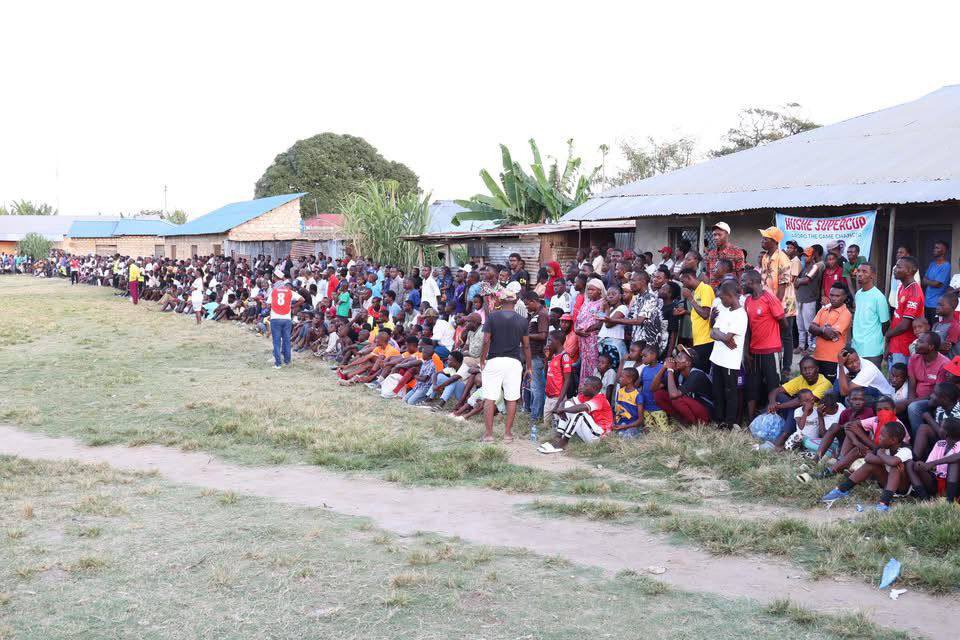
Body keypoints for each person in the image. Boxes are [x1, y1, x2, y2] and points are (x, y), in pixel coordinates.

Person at [821, 421, 912, 512]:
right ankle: (842, 490)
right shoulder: (883, 447)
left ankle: (884, 503)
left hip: (901, 488)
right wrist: (885, 459)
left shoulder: (906, 450)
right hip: (886, 482)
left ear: (893, 440)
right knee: (871, 465)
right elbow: (868, 458)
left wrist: (881, 455)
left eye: (882, 435)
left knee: (896, 467)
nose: (879, 437)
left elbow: (893, 462)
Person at [479, 286, 531, 443]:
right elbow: (526, 346)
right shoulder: (522, 320)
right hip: (514, 362)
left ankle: (489, 435)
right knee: (511, 398)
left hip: (494, 361)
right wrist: (529, 367)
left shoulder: (492, 317)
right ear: (515, 301)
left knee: (489, 398)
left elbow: (486, 340)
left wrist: (482, 359)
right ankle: (507, 434)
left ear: (500, 301)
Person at [742, 269, 786, 417]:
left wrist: (773, 337)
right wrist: (746, 351)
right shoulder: (748, 301)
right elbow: (748, 328)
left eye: (743, 281)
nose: (741, 284)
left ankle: (774, 418)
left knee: (773, 385)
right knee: (752, 385)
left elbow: (784, 323)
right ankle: (751, 419)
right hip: (754, 351)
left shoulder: (769, 298)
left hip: (771, 351)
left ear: (752, 282)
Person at [767, 356, 833, 446]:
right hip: (800, 414)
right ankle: (785, 431)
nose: (808, 372)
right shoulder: (801, 379)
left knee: (794, 407)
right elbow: (777, 390)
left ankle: (784, 435)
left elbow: (805, 402)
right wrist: (772, 403)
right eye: (804, 369)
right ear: (801, 371)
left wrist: (777, 406)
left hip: (815, 417)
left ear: (817, 369)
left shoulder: (825, 383)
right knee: (780, 396)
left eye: (811, 368)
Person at [538, 376, 613, 454]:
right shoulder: (586, 396)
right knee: (568, 404)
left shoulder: (600, 399)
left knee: (580, 414)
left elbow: (580, 408)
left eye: (585, 385)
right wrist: (562, 407)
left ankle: (563, 442)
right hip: (589, 432)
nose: (582, 387)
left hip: (599, 437)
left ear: (594, 388)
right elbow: (568, 402)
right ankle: (558, 437)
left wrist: (563, 410)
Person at [759, 226, 798, 376]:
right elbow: (764, 281)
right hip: (769, 302)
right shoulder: (765, 257)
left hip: (784, 304)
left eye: (766, 239)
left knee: (786, 336)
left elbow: (783, 285)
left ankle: (786, 367)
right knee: (772, 335)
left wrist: (776, 306)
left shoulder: (783, 258)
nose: (762, 241)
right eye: (763, 238)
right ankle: (773, 365)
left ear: (774, 242)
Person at [709, 281, 747, 429]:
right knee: (717, 391)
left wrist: (721, 336)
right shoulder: (725, 311)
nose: (721, 301)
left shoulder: (741, 315)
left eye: (722, 298)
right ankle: (719, 420)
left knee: (730, 392)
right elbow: (712, 332)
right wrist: (723, 338)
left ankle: (729, 422)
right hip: (717, 358)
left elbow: (725, 336)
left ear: (730, 296)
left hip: (730, 361)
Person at [651, 347, 714, 425]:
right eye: (676, 356)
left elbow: (674, 395)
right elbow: (653, 388)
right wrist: (664, 367)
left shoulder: (697, 374)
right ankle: (682, 421)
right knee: (658, 394)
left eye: (679, 357)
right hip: (692, 408)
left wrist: (670, 370)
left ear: (688, 363)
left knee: (677, 399)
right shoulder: (679, 373)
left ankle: (693, 425)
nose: (675, 359)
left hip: (706, 411)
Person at [906, 332, 951, 435]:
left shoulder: (944, 363)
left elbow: (938, 394)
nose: (916, 344)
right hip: (915, 397)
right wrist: (910, 400)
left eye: (920, 342)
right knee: (893, 404)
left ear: (931, 347)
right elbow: (912, 383)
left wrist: (911, 402)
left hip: (933, 400)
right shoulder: (914, 358)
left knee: (913, 407)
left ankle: (917, 438)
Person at [906, 417, 960, 503]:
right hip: (937, 482)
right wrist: (922, 466)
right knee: (911, 464)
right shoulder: (939, 444)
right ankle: (925, 499)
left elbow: (957, 456)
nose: (938, 429)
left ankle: (950, 501)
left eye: (941, 427)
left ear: (946, 433)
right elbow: (929, 465)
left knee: (954, 462)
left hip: (954, 484)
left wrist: (934, 463)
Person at [885, 255, 924, 367]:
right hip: (895, 343)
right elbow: (898, 315)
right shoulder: (902, 287)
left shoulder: (914, 293)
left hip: (905, 346)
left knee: (900, 377)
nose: (895, 269)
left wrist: (888, 335)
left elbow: (904, 325)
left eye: (899, 267)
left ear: (909, 271)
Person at [809, 282, 852, 381]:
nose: (833, 298)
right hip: (817, 356)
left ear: (844, 297)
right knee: (817, 386)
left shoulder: (846, 313)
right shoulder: (824, 309)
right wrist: (824, 329)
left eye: (837, 296)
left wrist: (818, 330)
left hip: (833, 359)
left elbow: (830, 335)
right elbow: (811, 328)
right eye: (831, 295)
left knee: (830, 388)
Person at [851, 263, 890, 366]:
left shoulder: (879, 297)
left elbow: (885, 323)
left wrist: (875, 339)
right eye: (858, 271)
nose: (860, 274)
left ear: (872, 275)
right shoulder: (858, 294)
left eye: (864, 271)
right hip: (856, 346)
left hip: (872, 349)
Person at [679, 268, 715, 372]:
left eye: (683, 281)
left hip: (707, 340)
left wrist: (690, 299)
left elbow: (705, 314)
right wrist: (686, 312)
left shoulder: (705, 289)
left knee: (703, 371)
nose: (683, 285)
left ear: (689, 278)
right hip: (698, 340)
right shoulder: (695, 292)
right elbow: (698, 314)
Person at [523, 290, 550, 422]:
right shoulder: (537, 313)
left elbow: (543, 335)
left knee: (536, 387)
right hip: (532, 354)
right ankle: (535, 413)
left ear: (533, 301)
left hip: (537, 355)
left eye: (527, 304)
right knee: (534, 385)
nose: (527, 307)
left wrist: (525, 336)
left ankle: (536, 416)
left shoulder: (542, 314)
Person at [542, 330, 573, 434]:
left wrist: (559, 402)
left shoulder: (565, 357)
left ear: (558, 342)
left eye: (550, 340)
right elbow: (546, 374)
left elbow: (567, 380)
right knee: (546, 426)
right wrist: (547, 358)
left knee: (558, 428)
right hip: (549, 396)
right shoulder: (553, 355)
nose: (548, 343)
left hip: (558, 397)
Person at [795, 244, 824, 354]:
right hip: (799, 299)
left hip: (809, 300)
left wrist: (798, 281)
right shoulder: (802, 267)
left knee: (809, 326)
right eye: (803, 255)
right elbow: (794, 281)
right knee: (800, 326)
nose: (804, 257)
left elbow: (806, 280)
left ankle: (811, 347)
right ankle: (801, 345)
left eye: (807, 256)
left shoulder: (815, 267)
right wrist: (798, 281)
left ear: (812, 257)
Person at [574, 279, 606, 377]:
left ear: (600, 291)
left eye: (593, 290)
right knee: (585, 363)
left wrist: (586, 330)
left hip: (593, 339)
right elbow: (578, 319)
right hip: (583, 340)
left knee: (593, 363)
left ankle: (592, 383)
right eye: (588, 289)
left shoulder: (602, 304)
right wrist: (576, 330)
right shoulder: (586, 303)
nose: (590, 292)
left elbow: (601, 322)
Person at [269, 276, 301, 369]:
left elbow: (268, 304)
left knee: (276, 342)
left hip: (275, 318)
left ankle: (278, 363)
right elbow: (302, 299)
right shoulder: (290, 292)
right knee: (286, 340)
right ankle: (287, 361)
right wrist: (293, 306)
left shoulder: (273, 291)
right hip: (286, 318)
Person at [704, 222, 745, 287]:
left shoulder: (737, 252)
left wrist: (739, 291)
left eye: (719, 235)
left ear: (727, 235)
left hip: (729, 290)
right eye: (714, 235)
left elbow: (740, 275)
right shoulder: (711, 254)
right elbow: (708, 274)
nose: (716, 237)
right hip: (712, 291)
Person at [923, 240, 951, 325]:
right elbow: (923, 280)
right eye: (934, 247)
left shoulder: (946, 266)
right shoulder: (932, 264)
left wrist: (928, 281)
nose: (934, 249)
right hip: (926, 303)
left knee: (935, 328)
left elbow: (937, 284)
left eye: (937, 248)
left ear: (944, 250)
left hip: (937, 305)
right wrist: (931, 282)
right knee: (927, 327)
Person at [613, 367, 644, 438]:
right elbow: (618, 410)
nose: (619, 379)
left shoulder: (638, 395)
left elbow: (640, 420)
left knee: (626, 436)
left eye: (622, 377)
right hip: (620, 423)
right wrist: (614, 423)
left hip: (632, 424)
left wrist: (625, 427)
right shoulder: (620, 391)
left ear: (630, 380)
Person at [932, 291, 960, 357]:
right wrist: (938, 346)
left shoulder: (955, 326)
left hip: (950, 362)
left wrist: (931, 346)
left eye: (941, 305)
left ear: (953, 306)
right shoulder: (936, 325)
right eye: (937, 304)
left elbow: (945, 350)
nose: (937, 307)